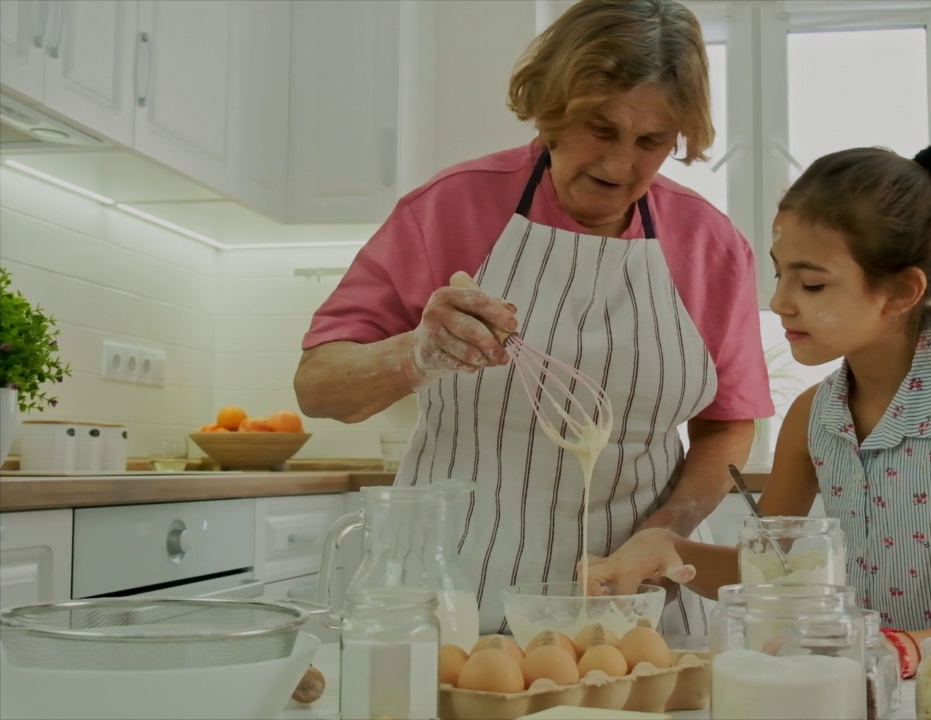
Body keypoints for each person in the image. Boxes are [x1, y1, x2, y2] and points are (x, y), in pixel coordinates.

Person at [293, 0, 773, 636]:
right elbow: (319, 386)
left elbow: (728, 427)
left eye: (651, 141)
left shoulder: (709, 246)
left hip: (638, 608)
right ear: (551, 109)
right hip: (457, 594)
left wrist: (665, 533)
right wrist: (413, 354)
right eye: (599, 129)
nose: (619, 166)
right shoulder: (448, 209)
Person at [584, 144, 931, 673]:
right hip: (873, 691)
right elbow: (765, 572)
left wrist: (882, 650)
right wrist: (667, 550)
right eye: (780, 274)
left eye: (812, 283)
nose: (782, 301)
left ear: (903, 291)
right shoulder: (813, 416)